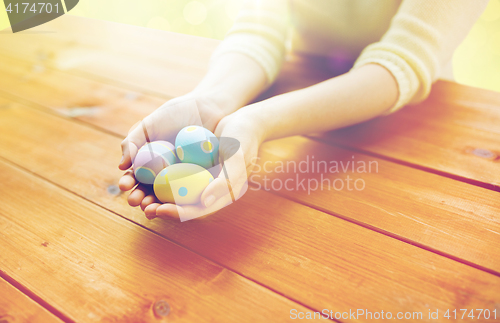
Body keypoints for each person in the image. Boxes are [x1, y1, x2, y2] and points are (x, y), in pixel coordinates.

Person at [118, 0, 488, 220]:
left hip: (416, 131)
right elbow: (260, 30)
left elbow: (404, 61)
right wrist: (211, 101)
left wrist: (256, 120)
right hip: (299, 87)